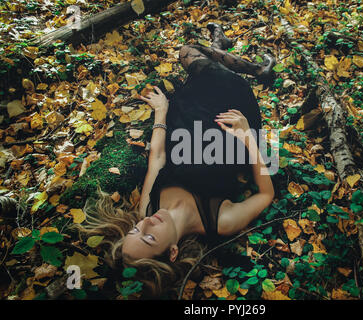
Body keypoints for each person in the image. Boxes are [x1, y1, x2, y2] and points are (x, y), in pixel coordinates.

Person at [79, 23, 276, 298]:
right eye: (149, 237)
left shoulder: (149, 209)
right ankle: (255, 69)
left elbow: (157, 160)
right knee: (195, 54)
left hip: (185, 115)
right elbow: (266, 194)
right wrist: (247, 137)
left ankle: (220, 46)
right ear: (173, 252)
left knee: (187, 53)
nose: (147, 223)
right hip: (232, 115)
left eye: (136, 229)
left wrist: (161, 112)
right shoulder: (220, 221)